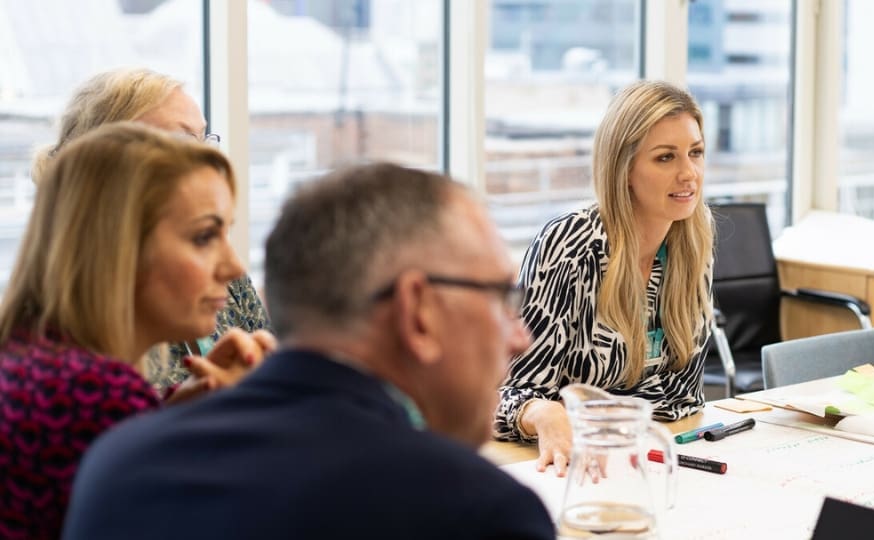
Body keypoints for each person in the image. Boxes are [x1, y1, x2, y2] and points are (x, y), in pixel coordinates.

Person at [62, 163, 555, 540]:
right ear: (417, 310)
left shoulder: (117, 465)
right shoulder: (476, 512)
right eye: (500, 298)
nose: (520, 337)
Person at [0, 123, 274, 540]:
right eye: (204, 237)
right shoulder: (94, 394)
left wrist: (169, 417)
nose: (234, 267)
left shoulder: (31, 359)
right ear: (118, 247)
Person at [494, 80, 715, 475]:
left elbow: (684, 396)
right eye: (665, 158)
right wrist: (543, 412)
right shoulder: (569, 245)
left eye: (695, 153)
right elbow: (511, 395)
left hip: (635, 455)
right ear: (624, 168)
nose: (689, 173)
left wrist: (589, 412)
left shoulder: (693, 240)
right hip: (556, 465)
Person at [31, 67, 271, 392]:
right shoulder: (69, 342)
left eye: (205, 140)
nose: (231, 266)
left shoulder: (230, 286)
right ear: (107, 167)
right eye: (183, 142)